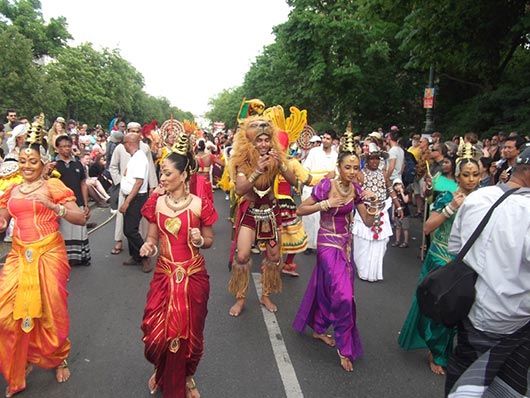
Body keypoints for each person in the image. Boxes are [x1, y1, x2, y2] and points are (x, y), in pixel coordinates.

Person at [0, 114, 86, 397]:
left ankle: (59, 355)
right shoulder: (11, 189)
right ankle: (20, 360)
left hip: (49, 253)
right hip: (17, 255)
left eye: (32, 162)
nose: (26, 166)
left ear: (43, 163)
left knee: (50, 311)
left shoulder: (54, 186)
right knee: (7, 314)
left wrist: (53, 206)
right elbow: (3, 216)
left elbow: (79, 218)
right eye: (23, 161)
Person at [444, 145, 530, 397]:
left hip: (471, 308)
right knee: (502, 385)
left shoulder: (478, 198)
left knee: (465, 382)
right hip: (513, 318)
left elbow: (456, 248)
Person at [139, 133, 217, 398]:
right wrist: (149, 246)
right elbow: (152, 236)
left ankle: (186, 376)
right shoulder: (156, 202)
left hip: (193, 276)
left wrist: (199, 239)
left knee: (189, 335)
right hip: (164, 275)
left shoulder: (199, 205)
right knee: (154, 334)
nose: (162, 178)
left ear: (183, 175)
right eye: (161, 172)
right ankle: (161, 369)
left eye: (167, 173)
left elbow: (208, 240)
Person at [292, 130, 375, 372]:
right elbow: (301, 210)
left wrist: (373, 204)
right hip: (327, 244)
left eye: (355, 167)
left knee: (329, 289)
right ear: (338, 166)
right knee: (344, 295)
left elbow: (367, 221)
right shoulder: (326, 185)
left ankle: (318, 328)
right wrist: (324, 204)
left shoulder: (356, 189)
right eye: (347, 167)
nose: (351, 171)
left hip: (346, 246)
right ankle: (344, 346)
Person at [398, 143, 481, 376]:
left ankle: (453, 349)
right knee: (439, 308)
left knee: (464, 309)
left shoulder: (485, 199)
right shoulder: (448, 195)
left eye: (476, 174)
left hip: (470, 262)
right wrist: (451, 208)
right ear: (457, 176)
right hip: (442, 259)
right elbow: (427, 226)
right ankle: (437, 351)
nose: (471, 179)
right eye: (466, 174)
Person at [227, 116, 297, 316]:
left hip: (270, 211)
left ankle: (265, 294)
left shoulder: (276, 158)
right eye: (259, 140)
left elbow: (293, 181)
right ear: (251, 141)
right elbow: (240, 189)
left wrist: (281, 164)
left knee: (275, 257)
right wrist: (257, 170)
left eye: (267, 139)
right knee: (242, 256)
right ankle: (240, 297)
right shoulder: (242, 160)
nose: (264, 144)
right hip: (250, 210)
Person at [352, 142, 403, 282]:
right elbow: (355, 193)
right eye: (372, 158)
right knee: (363, 242)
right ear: (366, 160)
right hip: (365, 213)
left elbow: (390, 190)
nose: (375, 161)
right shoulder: (360, 175)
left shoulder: (383, 173)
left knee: (382, 242)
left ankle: (374, 272)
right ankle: (363, 271)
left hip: (382, 212)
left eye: (377, 158)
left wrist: (398, 206)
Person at [53, 135, 92, 266]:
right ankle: (65, 259)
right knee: (64, 231)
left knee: (79, 230)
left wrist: (86, 204)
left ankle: (81, 257)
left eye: (69, 146)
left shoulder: (77, 164)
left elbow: (83, 183)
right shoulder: (54, 166)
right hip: (61, 204)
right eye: (63, 146)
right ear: (57, 149)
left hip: (78, 202)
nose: (66, 149)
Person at [301, 130, 338, 254]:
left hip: (327, 189)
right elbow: (306, 169)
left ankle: (320, 243)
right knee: (309, 217)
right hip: (312, 187)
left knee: (322, 217)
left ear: (333, 141)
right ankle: (308, 245)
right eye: (324, 138)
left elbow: (338, 172)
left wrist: (334, 174)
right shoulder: (314, 152)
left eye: (328, 138)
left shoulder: (335, 155)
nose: (325, 140)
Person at [120, 132, 152, 272]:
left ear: (130, 143)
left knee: (130, 229)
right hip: (131, 196)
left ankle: (145, 255)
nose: (124, 146)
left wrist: (127, 202)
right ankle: (135, 255)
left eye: (124, 143)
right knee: (128, 228)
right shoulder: (134, 157)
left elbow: (139, 182)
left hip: (136, 197)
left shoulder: (139, 158)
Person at [390, 178, 411, 248]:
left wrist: (402, 193)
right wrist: (393, 214)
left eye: (399, 185)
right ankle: (397, 240)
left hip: (405, 213)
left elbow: (406, 201)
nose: (397, 187)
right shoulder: (394, 195)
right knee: (398, 227)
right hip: (397, 213)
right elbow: (394, 204)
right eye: (396, 185)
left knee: (405, 228)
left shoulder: (405, 192)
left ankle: (405, 242)